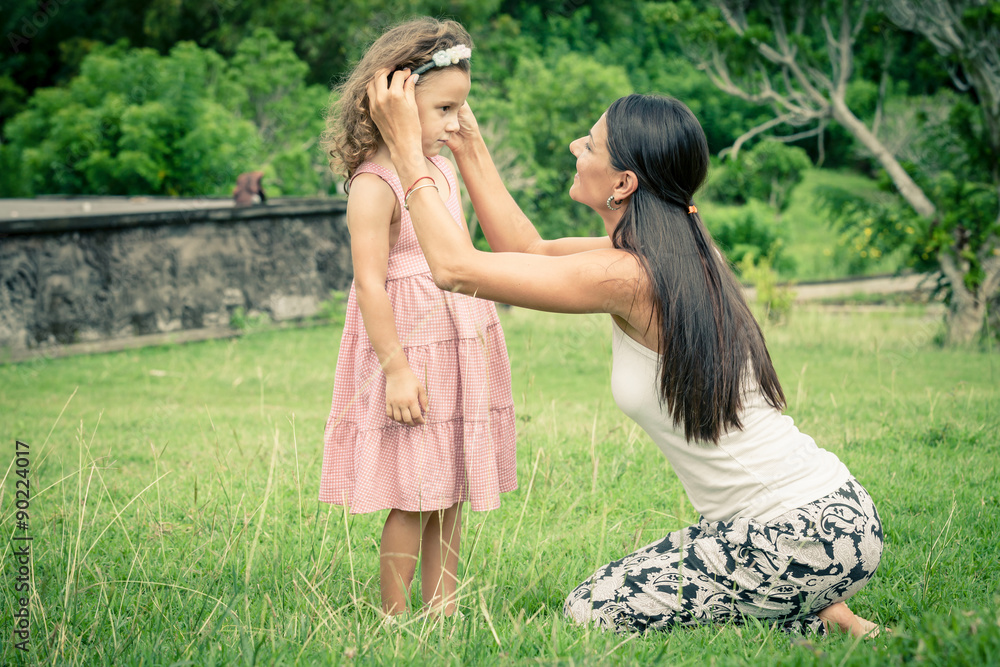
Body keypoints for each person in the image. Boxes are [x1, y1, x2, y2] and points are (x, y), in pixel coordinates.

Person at [365, 71, 884, 637]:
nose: (575, 148)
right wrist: (467, 144)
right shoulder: (679, 245)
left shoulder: (630, 275)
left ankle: (808, 615)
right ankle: (819, 602)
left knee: (592, 609)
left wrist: (406, 152)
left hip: (792, 533)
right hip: (840, 515)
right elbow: (529, 251)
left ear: (623, 184)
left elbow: (454, 269)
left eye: (589, 145)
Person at [317, 19, 517, 619]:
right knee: (412, 492)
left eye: (463, 106)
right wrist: (396, 368)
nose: (457, 122)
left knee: (449, 486)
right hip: (413, 351)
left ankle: (444, 603)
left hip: (457, 342)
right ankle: (393, 613)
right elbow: (370, 284)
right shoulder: (374, 186)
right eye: (445, 108)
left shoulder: (442, 168)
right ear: (393, 104)